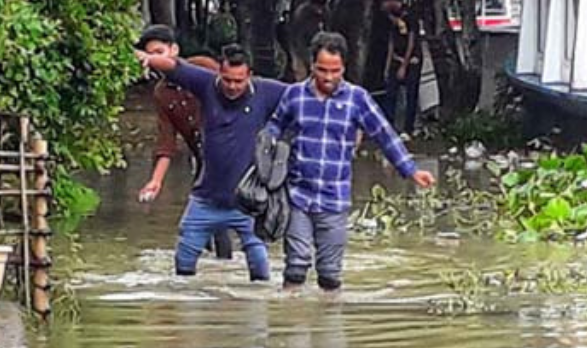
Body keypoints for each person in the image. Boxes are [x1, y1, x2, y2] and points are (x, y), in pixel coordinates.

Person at [266, 32, 436, 293]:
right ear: (312, 65)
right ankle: (290, 326)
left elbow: (385, 135)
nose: (329, 77)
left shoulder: (357, 99)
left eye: (335, 70)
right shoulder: (294, 96)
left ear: (344, 67)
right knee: (295, 268)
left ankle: (330, 325)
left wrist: (411, 170)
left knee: (330, 276)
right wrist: (262, 161)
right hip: (297, 195)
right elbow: (273, 128)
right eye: (322, 70)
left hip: (334, 198)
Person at [136, 43, 289, 282]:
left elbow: (306, 97)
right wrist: (147, 58)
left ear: (249, 75)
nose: (232, 87)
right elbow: (176, 68)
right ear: (219, 73)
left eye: (239, 81)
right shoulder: (206, 84)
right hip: (205, 199)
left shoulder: (267, 92)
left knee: (260, 271)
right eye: (227, 80)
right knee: (183, 266)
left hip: (248, 201)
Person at [135, 25, 233, 259]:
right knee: (200, 226)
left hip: (230, 150)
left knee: (216, 222)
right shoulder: (162, 94)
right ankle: (210, 273)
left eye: (159, 52)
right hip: (203, 159)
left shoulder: (201, 67)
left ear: (174, 50)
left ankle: (225, 273)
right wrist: (155, 181)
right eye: (150, 56)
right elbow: (166, 142)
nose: (154, 60)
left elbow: (234, 89)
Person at [380, 0, 422, 136]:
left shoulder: (410, 16)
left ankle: (408, 128)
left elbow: (411, 42)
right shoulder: (391, 18)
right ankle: (389, 126)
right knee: (390, 93)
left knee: (411, 95)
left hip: (411, 61)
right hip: (396, 59)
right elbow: (391, 42)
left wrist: (404, 65)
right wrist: (388, 65)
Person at [288, 0, 330, 81]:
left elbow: (326, 29)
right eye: (317, 7)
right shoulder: (302, 13)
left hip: (315, 46)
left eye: (321, 7)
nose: (319, 10)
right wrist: (304, 54)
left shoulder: (325, 12)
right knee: (301, 73)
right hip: (299, 45)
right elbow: (298, 37)